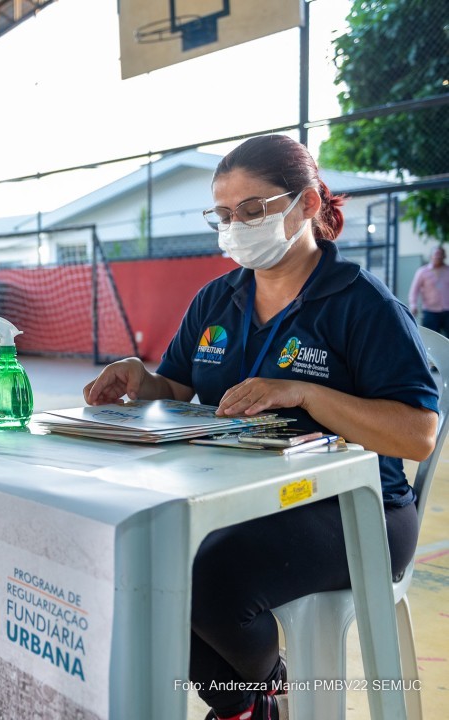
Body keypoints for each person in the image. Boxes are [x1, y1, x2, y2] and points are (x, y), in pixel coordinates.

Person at [83, 135, 438, 720]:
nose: (236, 226)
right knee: (141, 557)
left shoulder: (360, 304)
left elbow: (418, 435)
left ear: (306, 204)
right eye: (224, 215)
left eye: (252, 209)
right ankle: (246, 707)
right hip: (241, 496)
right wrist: (141, 380)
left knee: (206, 579)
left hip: (355, 509)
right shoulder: (217, 300)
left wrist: (306, 392)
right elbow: (177, 387)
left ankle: (263, 690)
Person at [408, 245, 449, 335]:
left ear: (444, 256)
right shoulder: (422, 271)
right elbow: (414, 290)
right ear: (431, 256)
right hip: (430, 312)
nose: (438, 256)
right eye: (436, 254)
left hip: (447, 311)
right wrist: (413, 304)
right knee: (431, 337)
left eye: (440, 254)